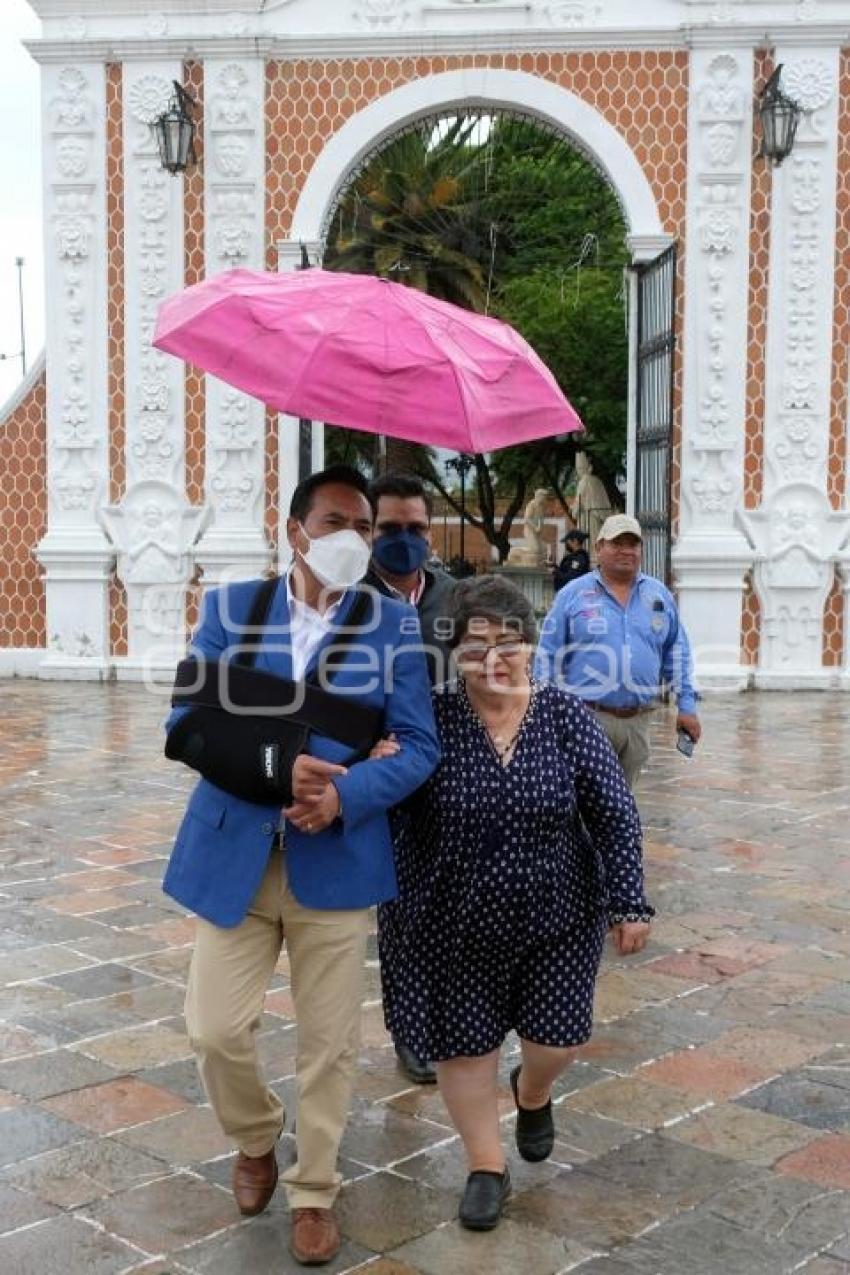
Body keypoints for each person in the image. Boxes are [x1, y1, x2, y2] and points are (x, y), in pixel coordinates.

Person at [163, 464, 439, 1266]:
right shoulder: (232, 610)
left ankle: (315, 1188)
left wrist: (347, 794)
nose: (351, 538)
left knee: (330, 1042)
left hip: (337, 859)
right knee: (213, 1029)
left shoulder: (391, 626)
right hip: (236, 853)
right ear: (294, 531)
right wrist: (285, 769)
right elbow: (189, 721)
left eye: (363, 524)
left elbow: (417, 745)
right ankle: (255, 1137)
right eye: (333, 522)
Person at [376, 575, 653, 1231]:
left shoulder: (564, 716)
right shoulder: (432, 720)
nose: (493, 657)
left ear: (531, 645)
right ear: (455, 651)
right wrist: (382, 765)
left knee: (556, 1038)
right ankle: (485, 1166)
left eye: (509, 642)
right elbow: (389, 807)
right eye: (476, 643)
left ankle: (532, 1091)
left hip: (557, 913)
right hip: (450, 916)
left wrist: (629, 900)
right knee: (463, 1047)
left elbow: (614, 813)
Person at [365, 471, 456, 1085]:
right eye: (391, 529)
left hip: (449, 771)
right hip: (379, 774)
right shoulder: (346, 599)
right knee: (399, 916)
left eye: (416, 529)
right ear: (370, 531)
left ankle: (449, 1020)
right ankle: (408, 1031)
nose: (405, 539)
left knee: (447, 905)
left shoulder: (455, 596)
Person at [535, 513, 701, 789]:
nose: (626, 550)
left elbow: (677, 652)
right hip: (586, 718)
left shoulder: (658, 596)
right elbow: (547, 656)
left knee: (624, 804)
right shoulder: (572, 595)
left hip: (637, 722)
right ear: (599, 548)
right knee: (584, 802)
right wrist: (543, 712)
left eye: (632, 544)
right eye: (617, 543)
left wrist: (687, 706)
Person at [553, 527, 590, 591]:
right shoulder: (574, 557)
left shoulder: (579, 558)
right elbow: (567, 571)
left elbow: (571, 577)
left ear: (575, 541)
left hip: (573, 594)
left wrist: (556, 572)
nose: (566, 544)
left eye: (568, 542)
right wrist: (555, 567)